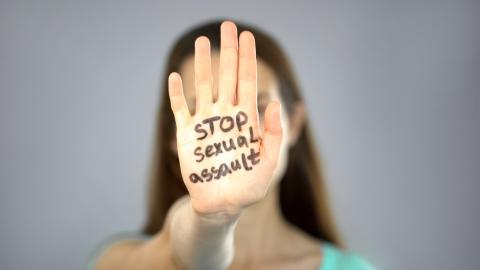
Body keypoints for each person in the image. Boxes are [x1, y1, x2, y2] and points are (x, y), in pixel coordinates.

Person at [87, 20, 375, 270]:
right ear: (173, 139)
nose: (234, 131)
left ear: (295, 124)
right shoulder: (117, 260)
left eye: (257, 107)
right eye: (203, 111)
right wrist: (212, 217)